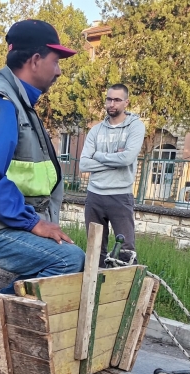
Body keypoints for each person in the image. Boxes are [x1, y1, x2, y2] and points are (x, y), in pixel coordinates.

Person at [0, 19, 85, 293]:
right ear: (35, 60)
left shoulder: (20, 104)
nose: (58, 72)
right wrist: (33, 222)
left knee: (69, 253)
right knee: (69, 261)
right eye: (56, 61)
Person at [79, 84, 146, 267]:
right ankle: (95, 292)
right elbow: (84, 164)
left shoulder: (135, 127)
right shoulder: (96, 131)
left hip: (120, 195)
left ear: (126, 102)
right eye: (109, 99)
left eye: (117, 100)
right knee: (95, 249)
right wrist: (115, 159)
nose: (112, 104)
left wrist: (99, 156)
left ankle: (123, 293)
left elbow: (126, 159)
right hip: (95, 195)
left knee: (125, 251)